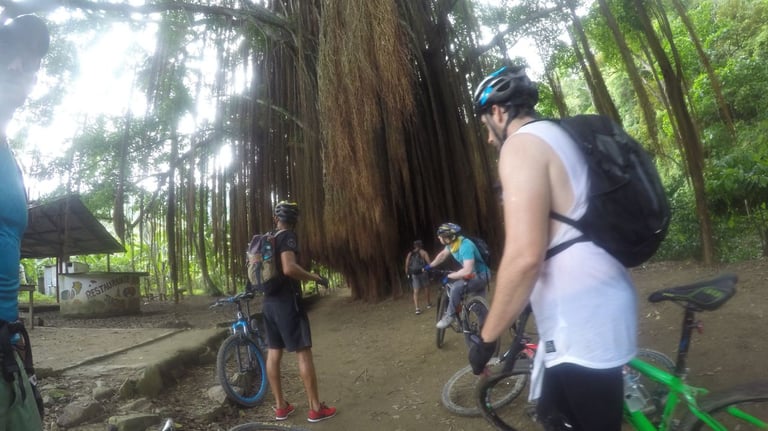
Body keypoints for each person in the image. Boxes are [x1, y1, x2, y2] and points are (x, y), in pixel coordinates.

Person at [467, 65, 637, 431]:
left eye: (485, 127)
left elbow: (524, 256)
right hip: (586, 312)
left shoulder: (521, 145)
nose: (489, 139)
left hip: (584, 324)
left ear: (497, 112)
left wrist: (487, 337)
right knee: (551, 415)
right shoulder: (558, 135)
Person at [0, 14, 50, 430]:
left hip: (6, 345)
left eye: (30, 59)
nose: (19, 65)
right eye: (7, 52)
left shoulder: (9, 156)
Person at [260, 201, 337, 423]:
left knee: (274, 353)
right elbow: (289, 268)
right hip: (287, 304)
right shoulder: (287, 237)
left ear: (276, 218)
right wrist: (315, 277)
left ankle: (280, 407)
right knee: (303, 352)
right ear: (295, 221)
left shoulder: (268, 239)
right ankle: (315, 409)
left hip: (268, 304)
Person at [424, 223, 490, 329]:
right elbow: (442, 256)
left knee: (456, 287)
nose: (439, 237)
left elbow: (467, 270)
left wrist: (451, 276)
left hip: (480, 276)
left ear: (448, 237)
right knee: (479, 307)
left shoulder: (465, 246)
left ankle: (450, 315)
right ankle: (485, 329)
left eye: (441, 236)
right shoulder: (452, 244)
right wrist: (430, 266)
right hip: (474, 275)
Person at [404, 240, 431, 315]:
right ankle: (428, 304)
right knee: (426, 287)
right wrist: (428, 270)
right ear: (421, 245)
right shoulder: (424, 252)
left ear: (414, 246)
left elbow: (406, 264)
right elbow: (429, 263)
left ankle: (417, 308)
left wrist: (407, 274)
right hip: (423, 272)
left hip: (414, 274)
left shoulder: (410, 253)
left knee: (415, 291)